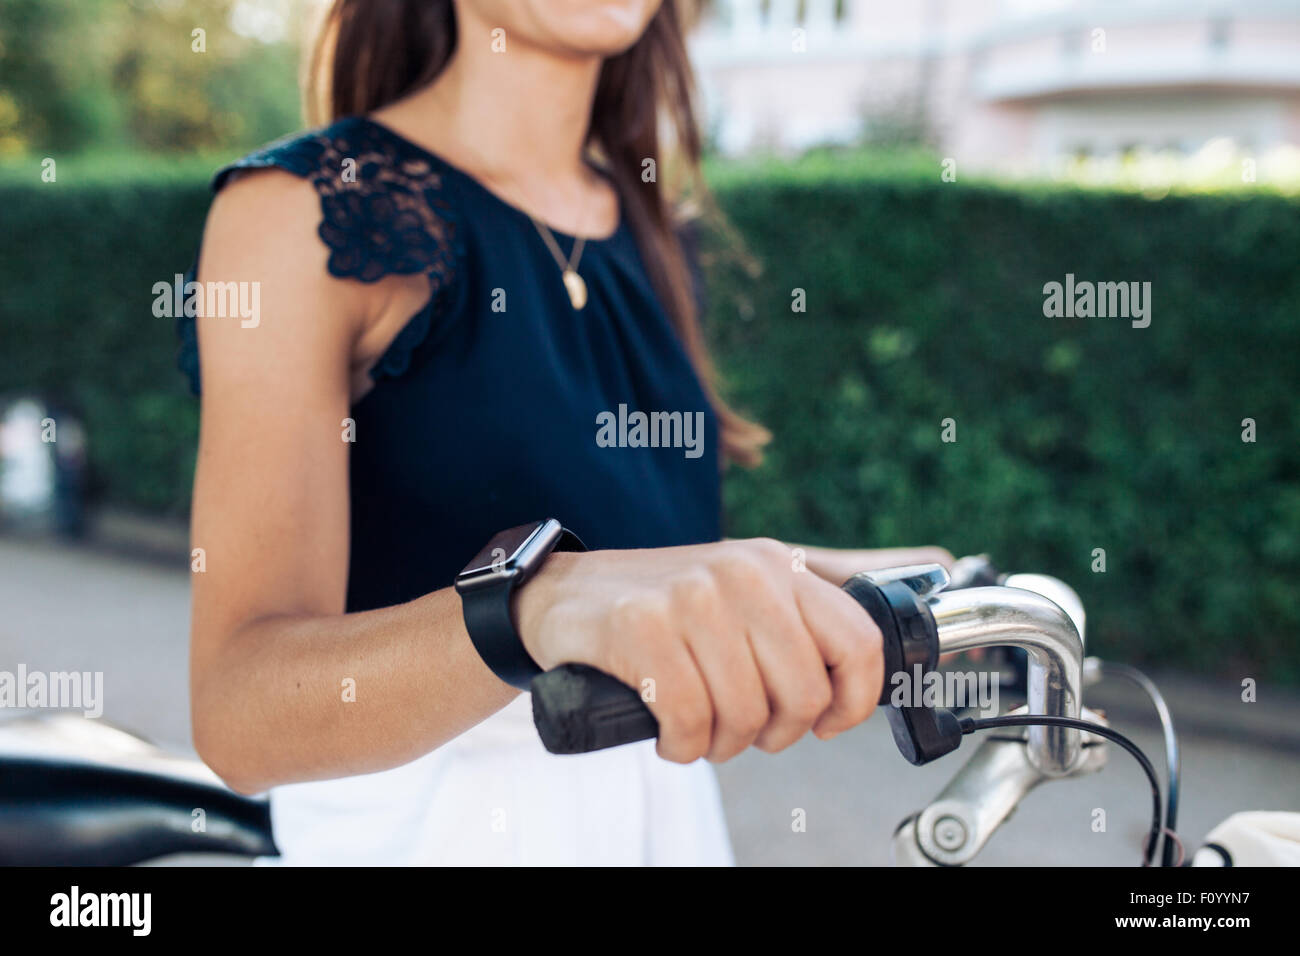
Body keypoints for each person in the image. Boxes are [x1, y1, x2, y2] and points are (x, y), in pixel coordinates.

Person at [179, 0, 951, 865]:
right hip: (431, 829)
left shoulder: (653, 228)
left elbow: (654, 555)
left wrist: (871, 580)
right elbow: (239, 712)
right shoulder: (305, 210)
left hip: (665, 816)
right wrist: (531, 605)